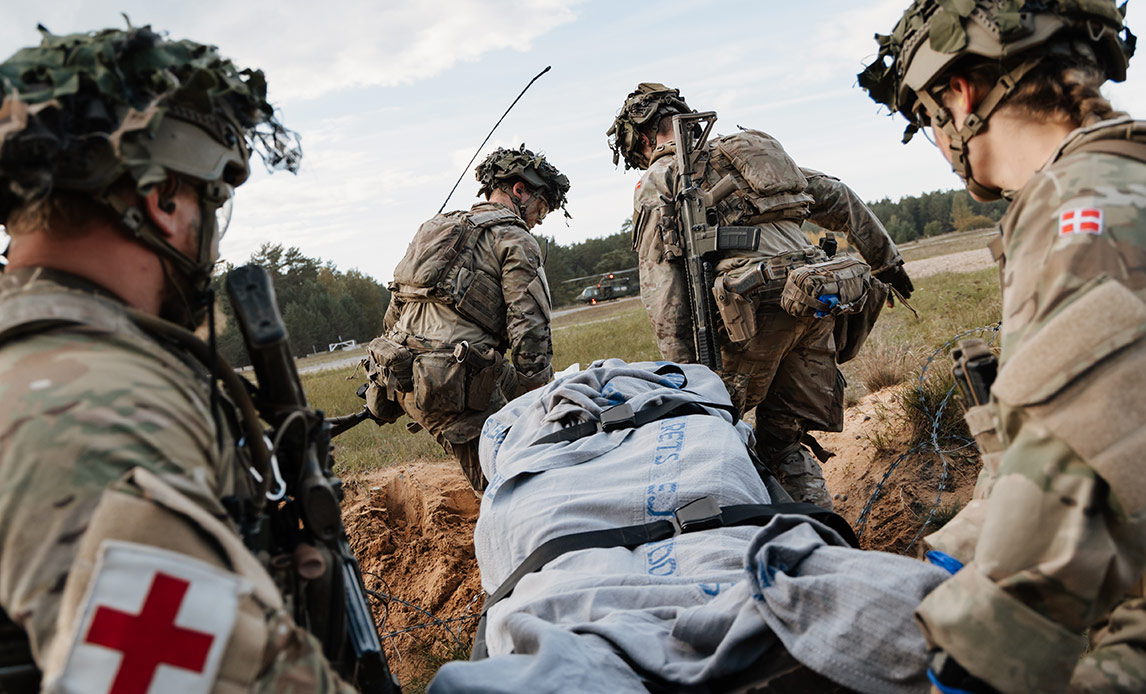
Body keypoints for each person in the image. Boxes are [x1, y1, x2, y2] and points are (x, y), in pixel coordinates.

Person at [0, 25, 361, 693]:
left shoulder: (48, 356)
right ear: (163, 199)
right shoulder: (95, 406)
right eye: (210, 199)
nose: (211, 233)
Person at [859, 2, 1145, 692]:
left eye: (925, 120)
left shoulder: (1080, 215)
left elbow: (1067, 499)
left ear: (960, 94)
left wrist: (971, 660)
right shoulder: (1117, 181)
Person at [607, 83, 914, 510]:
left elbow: (663, 291)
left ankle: (757, 539)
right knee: (783, 442)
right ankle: (825, 535)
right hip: (813, 304)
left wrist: (686, 381)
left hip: (750, 320)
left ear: (640, 139)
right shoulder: (746, 159)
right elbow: (839, 197)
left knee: (721, 439)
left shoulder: (662, 178)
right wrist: (887, 263)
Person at [364, 146, 569, 492]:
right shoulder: (516, 239)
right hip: (448, 383)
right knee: (511, 486)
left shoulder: (435, 226)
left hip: (397, 371)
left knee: (505, 383)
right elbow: (529, 329)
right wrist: (541, 406)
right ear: (519, 190)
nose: (540, 217)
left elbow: (395, 309)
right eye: (542, 205)